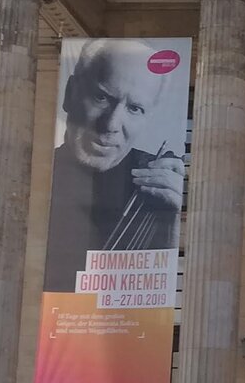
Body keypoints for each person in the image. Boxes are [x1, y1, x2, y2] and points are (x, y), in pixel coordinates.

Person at [42, 42, 188, 291]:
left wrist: (172, 228)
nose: (111, 124)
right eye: (101, 97)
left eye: (134, 108)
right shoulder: (43, 176)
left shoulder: (159, 181)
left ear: (147, 119)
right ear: (70, 93)